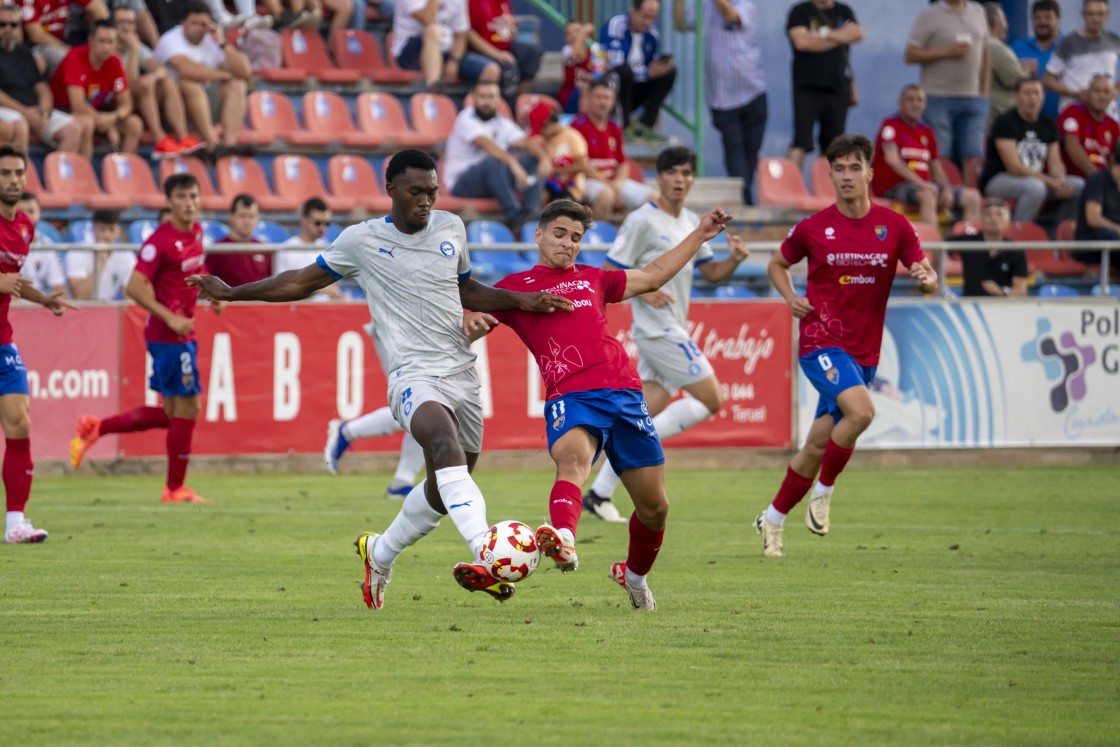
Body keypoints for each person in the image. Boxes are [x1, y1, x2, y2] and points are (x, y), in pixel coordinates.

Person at [186, 148, 573, 608]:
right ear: (390, 190)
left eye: (432, 192)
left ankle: (380, 552)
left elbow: (465, 287)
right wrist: (233, 293)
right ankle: (487, 555)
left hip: (461, 372)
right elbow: (298, 282)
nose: (426, 201)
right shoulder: (361, 241)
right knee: (443, 444)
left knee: (444, 485)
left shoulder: (453, 227)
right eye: (416, 192)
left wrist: (521, 301)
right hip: (411, 373)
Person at [471, 199, 731, 610]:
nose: (568, 244)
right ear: (538, 235)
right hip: (571, 396)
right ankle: (565, 540)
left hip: (626, 394)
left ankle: (633, 576)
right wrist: (466, 327)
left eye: (576, 238)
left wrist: (700, 234)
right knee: (573, 462)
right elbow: (471, 323)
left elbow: (651, 275)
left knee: (655, 509)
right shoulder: (513, 288)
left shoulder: (593, 279)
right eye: (559, 234)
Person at [755, 134, 937, 558]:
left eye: (855, 167)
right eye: (839, 169)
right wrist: (789, 297)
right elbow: (777, 264)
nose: (847, 176)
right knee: (863, 411)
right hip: (821, 341)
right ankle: (824, 490)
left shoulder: (894, 226)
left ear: (870, 172)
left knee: (818, 444)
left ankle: (773, 518)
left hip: (864, 352)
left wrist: (928, 281)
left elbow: (924, 271)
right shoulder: (813, 228)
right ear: (831, 175)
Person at [582, 145, 749, 522]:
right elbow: (609, 271)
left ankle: (599, 492)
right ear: (658, 177)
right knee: (711, 399)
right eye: (672, 172)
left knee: (640, 412)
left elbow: (710, 275)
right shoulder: (642, 220)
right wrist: (646, 286)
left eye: (687, 173)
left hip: (675, 325)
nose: (680, 180)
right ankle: (623, 460)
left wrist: (736, 259)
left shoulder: (691, 220)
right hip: (657, 331)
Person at [70, 172, 222, 504]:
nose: (189, 203)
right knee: (190, 406)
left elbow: (194, 272)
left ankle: (97, 427)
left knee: (173, 413)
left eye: (194, 196)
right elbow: (135, 287)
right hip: (169, 336)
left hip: (183, 331)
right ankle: (174, 488)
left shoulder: (196, 232)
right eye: (182, 197)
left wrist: (212, 289)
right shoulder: (159, 242)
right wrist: (170, 317)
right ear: (169, 202)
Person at [0, 145, 76, 543]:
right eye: (5, 173)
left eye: (18, 173)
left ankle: (15, 524)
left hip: (2, 342)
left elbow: (13, 278)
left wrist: (43, 298)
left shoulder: (24, 227)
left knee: (20, 423)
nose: (13, 180)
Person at [673, 0, 766, 205]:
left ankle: (746, 194)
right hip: (721, 96)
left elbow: (731, 15)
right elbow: (680, 23)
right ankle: (743, 199)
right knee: (733, 147)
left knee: (751, 151)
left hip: (752, 90)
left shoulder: (745, 5)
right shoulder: (703, 6)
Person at [870, 84, 981, 227]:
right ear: (900, 103)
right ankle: (931, 248)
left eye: (919, 100)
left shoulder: (926, 131)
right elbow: (892, 160)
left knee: (972, 197)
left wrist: (946, 189)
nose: (915, 104)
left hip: (920, 187)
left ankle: (969, 245)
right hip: (894, 187)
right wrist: (922, 184)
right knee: (928, 195)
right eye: (910, 100)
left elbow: (936, 166)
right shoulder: (890, 125)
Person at [444, 80, 549, 230]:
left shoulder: (501, 122)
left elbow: (526, 142)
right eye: (482, 96)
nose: (486, 101)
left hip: (495, 180)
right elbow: (486, 145)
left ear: (498, 99)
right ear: (473, 98)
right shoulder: (465, 118)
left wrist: (544, 158)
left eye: (491, 97)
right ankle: (515, 216)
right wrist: (513, 163)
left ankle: (530, 214)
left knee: (532, 159)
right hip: (462, 183)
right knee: (491, 162)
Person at [153, 0, 252, 158]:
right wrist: (224, 74)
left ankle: (228, 145)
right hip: (174, 111)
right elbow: (190, 71)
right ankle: (213, 144)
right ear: (183, 22)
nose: (198, 29)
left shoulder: (210, 40)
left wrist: (222, 42)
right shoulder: (170, 39)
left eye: (203, 24)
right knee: (190, 83)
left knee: (237, 84)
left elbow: (245, 71)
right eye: (194, 23)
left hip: (205, 105)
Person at [980, 77, 1084, 225]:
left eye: (1036, 93)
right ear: (1016, 96)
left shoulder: (1048, 124)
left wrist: (1060, 181)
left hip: (1037, 180)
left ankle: (1058, 236)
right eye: (1027, 93)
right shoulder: (1005, 122)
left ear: (1043, 96)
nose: (1032, 98)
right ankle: (1019, 234)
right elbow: (1013, 167)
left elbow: (1055, 162)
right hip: (1000, 179)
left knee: (1078, 185)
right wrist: (1050, 182)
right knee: (1035, 188)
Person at [905, 0, 990, 182]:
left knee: (973, 155)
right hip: (937, 97)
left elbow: (985, 52)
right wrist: (946, 52)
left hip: (974, 98)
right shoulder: (929, 15)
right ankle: (944, 199)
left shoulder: (979, 11)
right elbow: (910, 54)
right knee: (940, 154)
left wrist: (985, 92)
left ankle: (969, 201)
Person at [0, 3, 91, 157]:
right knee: (20, 126)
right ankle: (22, 179)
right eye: (2, 24)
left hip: (33, 109)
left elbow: (41, 85)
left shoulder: (23, 51)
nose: (8, 29)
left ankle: (58, 179)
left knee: (73, 129)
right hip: (9, 109)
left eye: (13, 24)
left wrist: (44, 109)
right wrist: (25, 112)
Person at [113, 5, 202, 159]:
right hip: (115, 102)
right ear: (113, 25)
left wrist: (153, 76)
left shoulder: (136, 45)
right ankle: (159, 138)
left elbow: (161, 68)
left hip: (135, 100)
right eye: (121, 22)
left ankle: (183, 136)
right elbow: (125, 85)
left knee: (166, 81)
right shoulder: (107, 46)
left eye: (130, 22)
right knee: (143, 85)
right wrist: (133, 51)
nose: (126, 27)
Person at [785, 0, 861, 169]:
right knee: (801, 141)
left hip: (837, 88)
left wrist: (822, 35)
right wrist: (839, 36)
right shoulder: (800, 11)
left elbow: (857, 34)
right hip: (807, 88)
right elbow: (801, 42)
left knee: (834, 146)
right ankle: (790, 186)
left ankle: (826, 190)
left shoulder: (844, 11)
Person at [49, 20, 144, 154]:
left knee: (134, 124)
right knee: (87, 123)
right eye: (101, 41)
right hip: (64, 110)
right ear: (91, 40)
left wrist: (113, 118)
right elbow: (78, 105)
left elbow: (126, 104)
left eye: (110, 42)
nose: (106, 47)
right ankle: (84, 172)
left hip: (96, 111)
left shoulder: (115, 62)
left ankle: (122, 172)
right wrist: (109, 126)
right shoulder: (75, 57)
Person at [570, 80, 655, 220]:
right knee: (606, 195)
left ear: (613, 101)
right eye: (598, 97)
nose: (602, 102)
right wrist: (609, 186)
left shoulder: (614, 127)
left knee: (653, 199)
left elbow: (623, 163)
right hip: (586, 180)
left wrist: (618, 184)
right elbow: (581, 164)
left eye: (607, 98)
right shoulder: (577, 126)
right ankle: (598, 239)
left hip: (613, 181)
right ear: (589, 98)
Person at [601, 0, 676, 139]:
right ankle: (624, 126)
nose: (648, 22)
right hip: (615, 89)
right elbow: (615, 64)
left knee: (670, 71)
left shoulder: (652, 35)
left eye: (653, 18)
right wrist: (647, 73)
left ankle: (646, 125)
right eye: (645, 16)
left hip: (637, 89)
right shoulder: (616, 26)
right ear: (633, 11)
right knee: (624, 72)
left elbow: (650, 64)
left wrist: (658, 68)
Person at [390, 0, 499, 92]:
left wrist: (454, 61)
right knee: (432, 30)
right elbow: (428, 18)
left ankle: (475, 111)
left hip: (444, 52)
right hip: (410, 53)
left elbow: (460, 35)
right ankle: (433, 85)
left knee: (491, 70)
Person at [1043, 0, 1120, 119]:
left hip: (1107, 117)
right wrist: (1075, 94)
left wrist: (1115, 90)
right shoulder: (1068, 43)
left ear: (1108, 14)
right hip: (1075, 115)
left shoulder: (1115, 41)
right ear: (1083, 14)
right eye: (1091, 14)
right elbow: (1048, 80)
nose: (1095, 18)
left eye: (1100, 14)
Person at [951, 197, 1028, 296]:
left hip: (1003, 306)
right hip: (970, 306)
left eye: (999, 214)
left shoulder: (1016, 250)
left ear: (1008, 221)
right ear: (981, 219)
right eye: (988, 214)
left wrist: (1001, 292)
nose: (993, 218)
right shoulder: (968, 242)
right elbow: (939, 248)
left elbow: (1021, 290)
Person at [467, 0, 541, 103]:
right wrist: (496, 53)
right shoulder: (473, 2)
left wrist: (512, 30)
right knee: (508, 66)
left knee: (532, 53)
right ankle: (508, 108)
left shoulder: (504, 2)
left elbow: (511, 33)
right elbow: (468, 33)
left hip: (504, 46)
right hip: (481, 51)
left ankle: (521, 101)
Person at [274, 197, 343, 300]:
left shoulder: (327, 249)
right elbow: (281, 288)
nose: (322, 228)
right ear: (304, 220)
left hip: (326, 310)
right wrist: (319, 290)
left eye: (327, 223)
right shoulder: (286, 249)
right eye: (318, 223)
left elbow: (334, 287)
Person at [64, 208, 137, 300]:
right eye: (102, 229)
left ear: (118, 232)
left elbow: (130, 294)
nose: (106, 235)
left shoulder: (125, 254)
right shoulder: (77, 252)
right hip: (79, 310)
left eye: (111, 230)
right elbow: (80, 296)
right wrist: (100, 263)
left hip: (106, 309)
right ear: (94, 230)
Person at [1058, 73, 1120, 179]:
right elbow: (1071, 146)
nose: (1102, 96)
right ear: (1087, 93)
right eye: (1097, 91)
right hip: (1074, 178)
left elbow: (1116, 158)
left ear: (1112, 97)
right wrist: (1097, 177)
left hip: (1102, 182)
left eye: (1106, 92)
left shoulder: (1113, 124)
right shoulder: (1073, 112)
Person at [527, 101, 590, 204]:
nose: (540, 133)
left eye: (541, 129)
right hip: (549, 187)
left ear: (547, 123)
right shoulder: (544, 141)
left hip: (570, 189)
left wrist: (554, 170)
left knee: (563, 204)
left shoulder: (572, 136)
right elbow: (527, 142)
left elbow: (583, 164)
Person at [1011, 0, 1062, 120]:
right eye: (1038, 18)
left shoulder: (1068, 47)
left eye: (1048, 17)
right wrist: (1019, 68)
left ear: (1058, 20)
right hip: (1023, 121)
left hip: (1061, 120)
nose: (1042, 22)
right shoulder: (1017, 46)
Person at [204, 193, 269, 286]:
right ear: (231, 216)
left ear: (257, 218)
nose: (247, 221)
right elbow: (207, 284)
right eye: (242, 216)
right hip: (228, 300)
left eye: (251, 216)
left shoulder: (264, 249)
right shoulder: (217, 249)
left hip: (259, 300)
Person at [1073, 140, 1120, 268]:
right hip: (1092, 241)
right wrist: (1117, 228)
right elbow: (1093, 219)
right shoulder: (1098, 180)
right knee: (1109, 235)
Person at [16, 193, 65, 297]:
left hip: (40, 306)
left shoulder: (48, 245)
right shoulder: (3, 245)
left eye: (31, 211)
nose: (26, 216)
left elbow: (58, 288)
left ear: (39, 214)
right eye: (20, 212)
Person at [985, 0, 1023, 131]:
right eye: (1004, 20)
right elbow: (1018, 82)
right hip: (999, 121)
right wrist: (1027, 71)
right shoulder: (996, 47)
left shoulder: (980, 44)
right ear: (996, 24)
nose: (1007, 25)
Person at [557, 21, 606, 115]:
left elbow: (600, 73)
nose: (572, 35)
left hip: (592, 95)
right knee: (585, 89)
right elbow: (576, 55)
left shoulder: (596, 50)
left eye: (576, 31)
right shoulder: (567, 50)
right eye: (568, 33)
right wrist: (583, 32)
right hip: (571, 95)